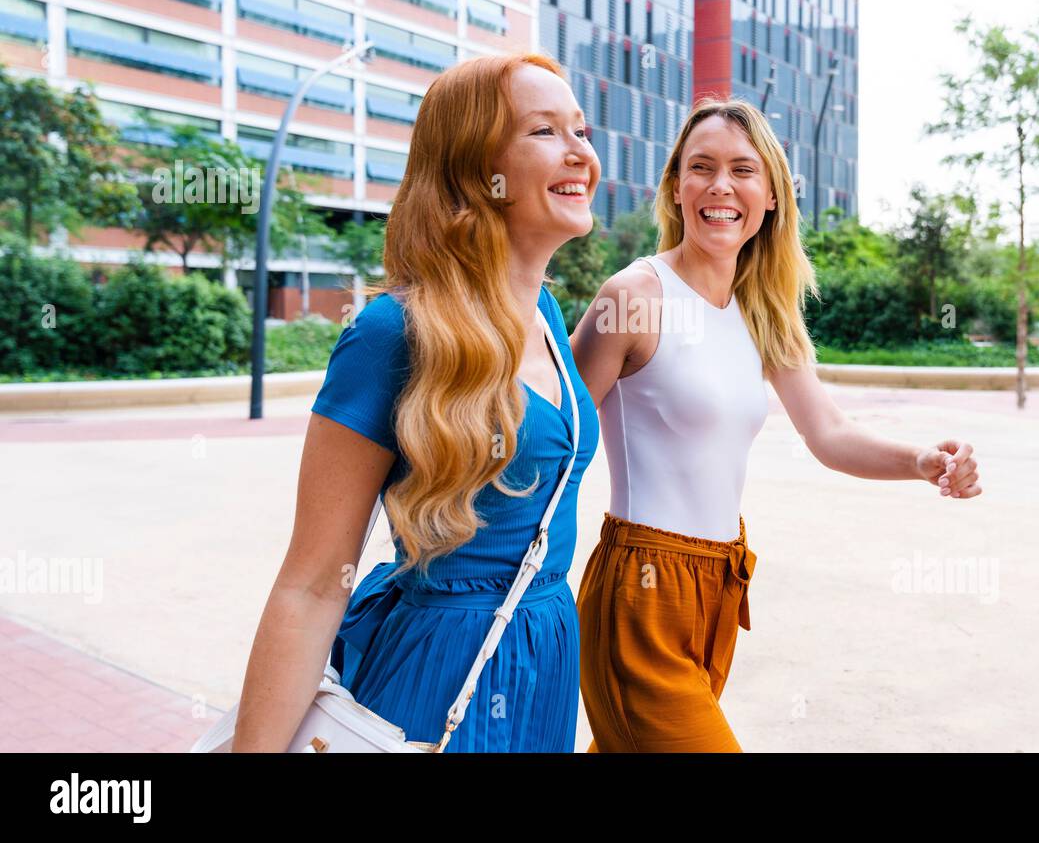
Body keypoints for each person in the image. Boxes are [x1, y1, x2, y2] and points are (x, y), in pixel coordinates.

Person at [570, 98, 983, 752]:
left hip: (718, 588)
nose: (720, 185)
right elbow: (554, 435)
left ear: (769, 197)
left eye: (742, 169)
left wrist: (922, 460)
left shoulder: (761, 312)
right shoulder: (634, 296)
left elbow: (829, 433)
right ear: (676, 187)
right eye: (701, 167)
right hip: (640, 592)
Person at [230, 52, 601, 752]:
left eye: (580, 130)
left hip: (545, 652)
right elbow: (311, 584)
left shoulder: (549, 313)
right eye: (545, 131)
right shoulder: (391, 333)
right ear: (474, 167)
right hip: (437, 670)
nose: (580, 152)